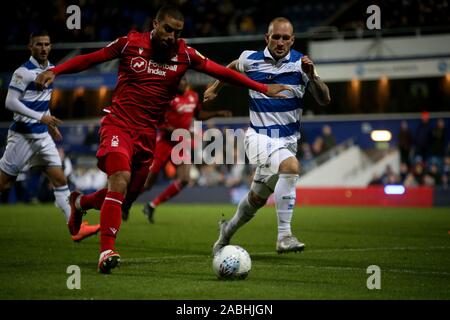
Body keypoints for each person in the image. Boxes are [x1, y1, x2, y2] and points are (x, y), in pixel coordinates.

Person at [35, 5, 289, 274]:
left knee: (126, 196)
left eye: (177, 32)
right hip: (118, 125)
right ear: (155, 23)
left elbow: (221, 72)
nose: (171, 36)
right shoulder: (129, 44)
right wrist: (57, 70)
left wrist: (262, 88)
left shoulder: (185, 54)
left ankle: (80, 203)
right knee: (119, 180)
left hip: (146, 135)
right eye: (167, 29)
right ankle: (106, 250)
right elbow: (91, 58)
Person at [204, 17, 331, 255]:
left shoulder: (301, 65)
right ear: (267, 38)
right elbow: (231, 67)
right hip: (259, 137)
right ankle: (284, 236)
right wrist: (214, 88)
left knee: (256, 199)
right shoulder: (250, 59)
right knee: (291, 166)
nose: (280, 42)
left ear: (292, 40)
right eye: (276, 37)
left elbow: (325, 99)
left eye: (285, 38)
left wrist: (313, 76)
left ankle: (225, 233)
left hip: (287, 143)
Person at [0, 31, 99, 242]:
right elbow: (10, 102)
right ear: (30, 47)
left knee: (60, 179)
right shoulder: (23, 72)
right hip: (23, 136)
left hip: (42, 136)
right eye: (39, 44)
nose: (43, 48)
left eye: (47, 44)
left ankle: (76, 228)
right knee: (4, 182)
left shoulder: (51, 70)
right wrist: (40, 118)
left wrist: (50, 122)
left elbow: (43, 101)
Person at [121, 76, 232, 222]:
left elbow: (198, 115)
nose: (182, 82)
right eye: (179, 80)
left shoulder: (193, 96)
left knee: (185, 179)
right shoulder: (166, 98)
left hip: (180, 144)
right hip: (165, 143)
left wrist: (218, 113)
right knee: (148, 184)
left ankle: (152, 205)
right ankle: (125, 203)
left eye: (184, 80)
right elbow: (159, 122)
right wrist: (178, 132)